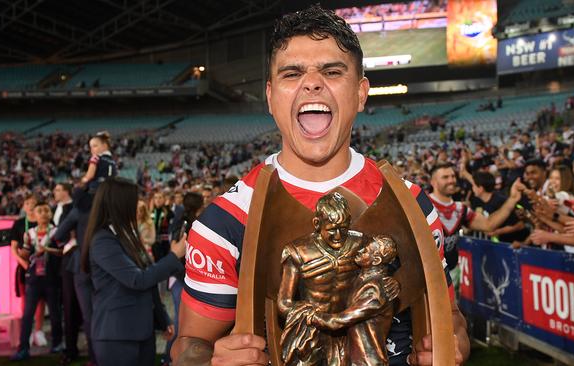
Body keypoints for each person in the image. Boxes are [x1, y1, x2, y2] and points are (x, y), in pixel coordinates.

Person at [172, 6, 469, 366]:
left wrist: (454, 343)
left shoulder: (413, 205)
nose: (312, 83)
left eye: (331, 71)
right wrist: (210, 361)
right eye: (292, 73)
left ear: (361, 93)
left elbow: (450, 317)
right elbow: (188, 345)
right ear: (270, 96)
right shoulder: (224, 222)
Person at [81, 178, 186, 366]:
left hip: (140, 331)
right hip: (117, 334)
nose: (139, 203)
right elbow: (137, 280)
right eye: (133, 199)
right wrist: (173, 256)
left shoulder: (126, 233)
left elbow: (148, 280)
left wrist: (162, 318)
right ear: (119, 203)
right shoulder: (103, 240)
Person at [308, 234, 400, 366]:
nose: (360, 251)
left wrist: (312, 316)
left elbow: (340, 321)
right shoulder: (361, 276)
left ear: (376, 260)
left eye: (366, 251)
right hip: (351, 356)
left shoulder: (375, 290)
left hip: (367, 361)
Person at [429, 163, 522, 284]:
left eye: (453, 176)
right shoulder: (422, 206)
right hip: (428, 276)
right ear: (433, 182)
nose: (451, 180)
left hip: (451, 274)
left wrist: (512, 199)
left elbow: (488, 224)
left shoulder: (460, 209)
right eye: (445, 177)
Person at [10, 202, 63, 361]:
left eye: (47, 210)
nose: (44, 214)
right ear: (35, 214)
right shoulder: (30, 233)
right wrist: (24, 251)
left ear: (50, 214)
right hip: (33, 279)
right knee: (27, 315)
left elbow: (63, 251)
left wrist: (47, 250)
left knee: (55, 313)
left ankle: (57, 344)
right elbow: (26, 253)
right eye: (40, 211)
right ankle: (23, 348)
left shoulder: (56, 232)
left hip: (51, 278)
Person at [162, 191, 204, 366]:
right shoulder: (191, 224)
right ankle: (169, 357)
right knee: (181, 324)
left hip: (178, 277)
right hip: (182, 278)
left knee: (184, 323)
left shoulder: (180, 221)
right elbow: (179, 252)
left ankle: (173, 357)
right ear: (200, 207)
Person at [9, 194, 47, 348]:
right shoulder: (18, 224)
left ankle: (39, 331)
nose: (30, 206)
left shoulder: (45, 223)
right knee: (26, 300)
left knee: (41, 300)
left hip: (43, 266)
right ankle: (28, 331)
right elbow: (13, 249)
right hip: (24, 267)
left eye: (33, 203)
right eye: (27, 203)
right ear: (23, 206)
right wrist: (24, 264)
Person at [52, 183, 81, 364]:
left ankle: (72, 348)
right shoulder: (56, 208)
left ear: (67, 192)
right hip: (59, 261)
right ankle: (69, 346)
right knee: (66, 304)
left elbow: (62, 235)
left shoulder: (74, 209)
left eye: (58, 189)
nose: (54, 192)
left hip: (72, 260)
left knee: (72, 306)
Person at [469, 172, 528, 243]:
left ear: (480, 188)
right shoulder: (481, 202)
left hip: (516, 244)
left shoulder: (501, 202)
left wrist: (496, 232)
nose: (472, 188)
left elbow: (520, 225)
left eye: (473, 186)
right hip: (502, 243)